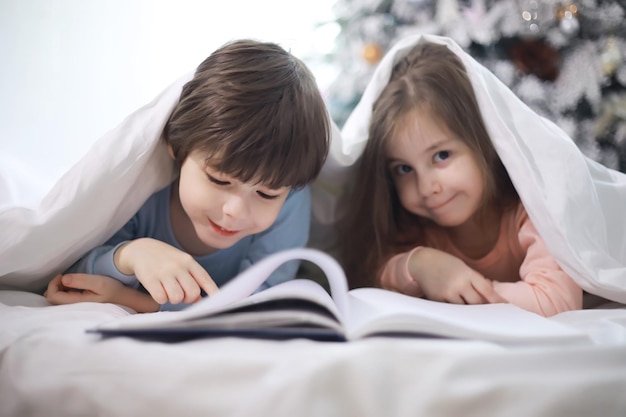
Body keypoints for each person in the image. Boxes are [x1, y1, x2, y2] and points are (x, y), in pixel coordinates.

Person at [45, 39, 331, 312]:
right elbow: (68, 273)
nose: (235, 211)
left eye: (266, 194)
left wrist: (140, 302)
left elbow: (262, 299)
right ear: (176, 146)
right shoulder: (140, 194)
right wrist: (131, 254)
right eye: (219, 180)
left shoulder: (290, 198)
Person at [337, 41, 582, 317]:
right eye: (404, 169)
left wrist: (456, 289)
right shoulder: (417, 226)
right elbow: (375, 277)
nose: (427, 188)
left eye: (441, 156)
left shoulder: (530, 208)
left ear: (485, 142)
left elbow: (556, 302)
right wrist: (418, 264)